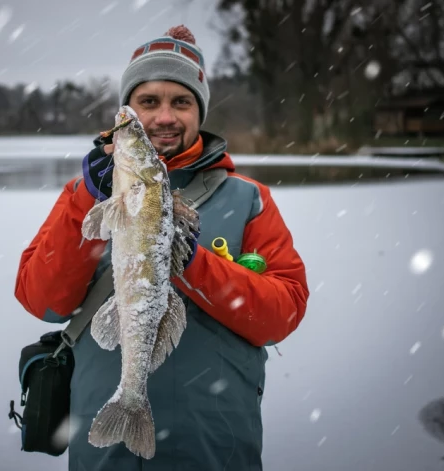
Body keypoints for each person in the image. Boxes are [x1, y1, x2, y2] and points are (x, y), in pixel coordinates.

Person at [15, 24, 309, 471]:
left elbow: (282, 313)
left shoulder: (248, 199)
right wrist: (87, 198)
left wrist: (190, 261)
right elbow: (41, 299)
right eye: (148, 102)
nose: (165, 117)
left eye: (181, 102)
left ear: (199, 111)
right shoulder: (85, 194)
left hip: (214, 449)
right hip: (104, 453)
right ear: (127, 112)